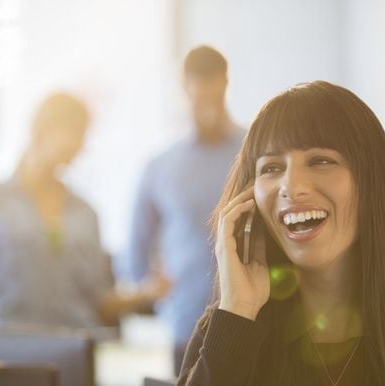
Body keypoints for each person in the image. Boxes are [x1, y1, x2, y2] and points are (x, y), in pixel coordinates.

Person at [178, 81, 385, 385]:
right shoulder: (224, 335)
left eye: (321, 160)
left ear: (372, 185)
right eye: (272, 168)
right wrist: (239, 312)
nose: (291, 186)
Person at [0, 92, 168, 328]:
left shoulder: (86, 213)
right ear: (46, 129)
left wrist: (145, 293)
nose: (81, 147)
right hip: (10, 354)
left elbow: (100, 301)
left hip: (73, 356)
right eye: (77, 135)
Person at [123, 45, 245, 375]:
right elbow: (134, 252)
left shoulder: (254, 152)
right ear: (184, 90)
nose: (207, 108)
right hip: (186, 326)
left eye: (214, 96)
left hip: (254, 322)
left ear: (226, 85)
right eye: (198, 98)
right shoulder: (160, 166)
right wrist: (153, 287)